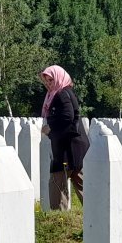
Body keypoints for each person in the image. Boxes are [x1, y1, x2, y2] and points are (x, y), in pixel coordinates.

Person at [40, 65, 89, 210]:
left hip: (66, 149)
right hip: (73, 147)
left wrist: (51, 126)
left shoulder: (61, 94)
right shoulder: (64, 92)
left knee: (56, 182)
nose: (48, 83)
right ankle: (96, 214)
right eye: (46, 81)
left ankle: (58, 219)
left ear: (59, 78)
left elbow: (68, 116)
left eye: (51, 80)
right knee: (79, 181)